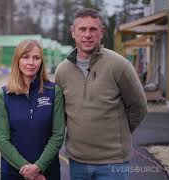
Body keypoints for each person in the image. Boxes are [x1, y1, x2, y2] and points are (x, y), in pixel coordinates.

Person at [55, 8, 148, 180]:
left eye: (93, 29)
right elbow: (61, 114)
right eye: (82, 29)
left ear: (102, 32)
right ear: (73, 32)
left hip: (113, 163)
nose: (87, 34)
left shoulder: (120, 66)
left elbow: (139, 107)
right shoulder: (62, 71)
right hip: (77, 162)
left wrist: (119, 134)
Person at [0, 39, 65, 180]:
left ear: (41, 62)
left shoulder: (53, 91)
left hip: (47, 173)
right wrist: (29, 171)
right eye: (25, 57)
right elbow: (2, 140)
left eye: (36, 58)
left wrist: (39, 167)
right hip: (13, 172)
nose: (31, 62)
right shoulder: (4, 95)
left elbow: (58, 135)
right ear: (17, 60)